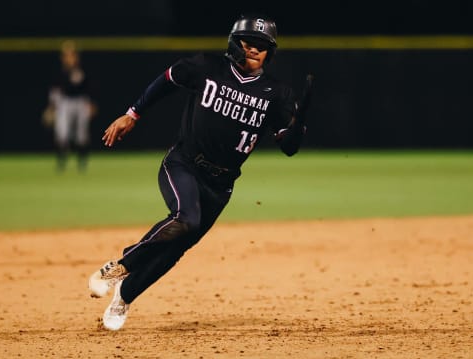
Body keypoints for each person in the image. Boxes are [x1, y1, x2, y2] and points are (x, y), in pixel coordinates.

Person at [88, 14, 308, 331]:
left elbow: (288, 146)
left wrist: (298, 128)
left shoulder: (278, 94)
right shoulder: (206, 67)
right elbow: (166, 80)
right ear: (235, 43)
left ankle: (123, 299)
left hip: (221, 186)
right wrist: (132, 114)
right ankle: (119, 266)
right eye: (250, 42)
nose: (256, 50)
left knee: (178, 247)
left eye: (263, 46)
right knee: (185, 219)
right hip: (184, 164)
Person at [43, 40, 97, 172]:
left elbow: (89, 90)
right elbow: (54, 91)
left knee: (82, 134)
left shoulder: (82, 71)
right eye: (67, 54)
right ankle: (61, 162)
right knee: (62, 133)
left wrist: (91, 104)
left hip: (80, 102)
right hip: (64, 103)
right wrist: (51, 107)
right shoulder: (59, 72)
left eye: (72, 54)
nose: (70, 57)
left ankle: (82, 162)